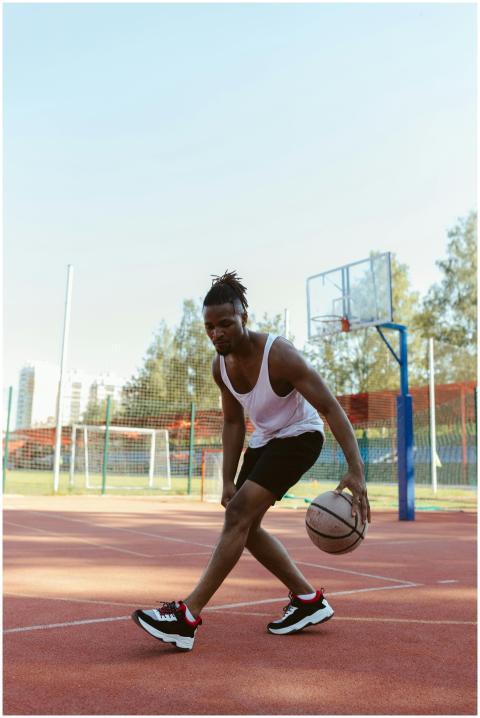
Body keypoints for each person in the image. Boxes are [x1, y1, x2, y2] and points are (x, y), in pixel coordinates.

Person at [132, 271, 370, 651]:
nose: (217, 333)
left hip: (300, 437)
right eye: (210, 327)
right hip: (264, 440)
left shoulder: (280, 355)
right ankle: (307, 600)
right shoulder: (220, 366)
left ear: (244, 316)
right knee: (247, 527)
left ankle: (187, 617)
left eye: (225, 323)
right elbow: (231, 421)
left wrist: (356, 469)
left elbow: (329, 407)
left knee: (238, 517)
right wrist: (227, 480)